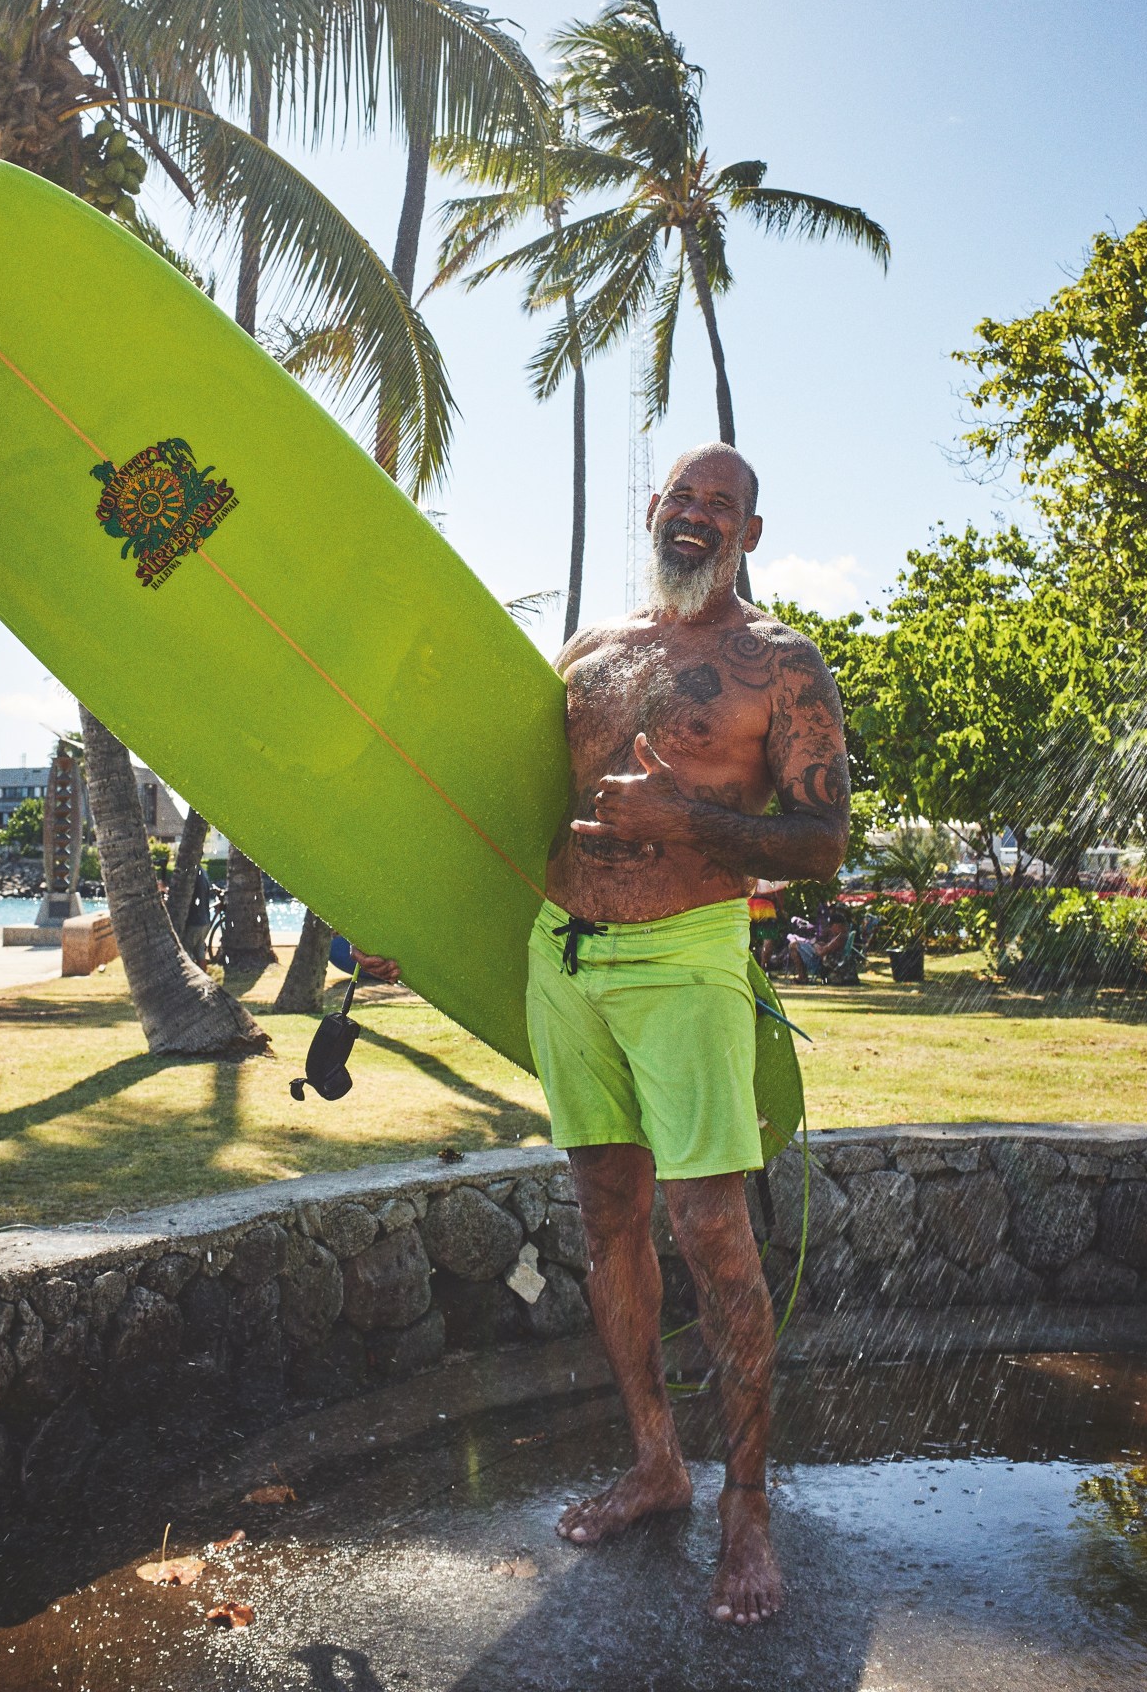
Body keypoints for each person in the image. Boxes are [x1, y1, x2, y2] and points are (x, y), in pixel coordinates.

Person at [354, 443, 849, 1627]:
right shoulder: (589, 652)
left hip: (684, 957)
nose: (693, 517)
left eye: (718, 507)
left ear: (750, 534)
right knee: (606, 1214)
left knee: (709, 1224)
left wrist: (689, 813)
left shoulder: (778, 664)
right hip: (563, 954)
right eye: (680, 498)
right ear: (653, 509)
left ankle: (748, 1504)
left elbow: (826, 842)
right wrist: (405, 915)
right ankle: (653, 1458)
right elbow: (499, 799)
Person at [779, 901, 851, 983]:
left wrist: (814, 944)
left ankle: (802, 977)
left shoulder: (840, 937)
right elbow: (828, 948)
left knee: (793, 945)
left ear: (837, 925)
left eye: (831, 926)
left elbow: (821, 952)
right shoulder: (842, 936)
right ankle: (802, 977)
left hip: (825, 964)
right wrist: (822, 945)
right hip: (827, 961)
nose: (830, 929)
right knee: (794, 945)